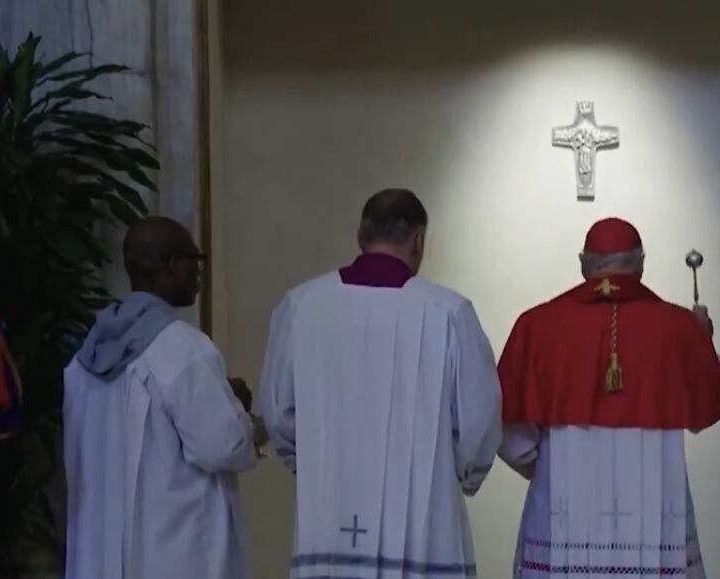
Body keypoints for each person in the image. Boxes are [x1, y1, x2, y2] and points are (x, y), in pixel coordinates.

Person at [260, 188, 501, 579]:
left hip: (329, 510)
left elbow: (278, 412)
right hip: (424, 522)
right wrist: (455, 475)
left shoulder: (301, 306)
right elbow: (479, 420)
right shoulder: (448, 312)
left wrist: (315, 463)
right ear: (418, 241)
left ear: (361, 237)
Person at [497, 217, 720, 578]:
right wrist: (703, 341)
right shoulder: (677, 326)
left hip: (563, 509)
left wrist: (544, 467)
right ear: (640, 264)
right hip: (655, 515)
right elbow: (718, 395)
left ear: (583, 264)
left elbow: (507, 429)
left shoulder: (537, 325)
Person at [63, 216, 260, 579]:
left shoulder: (84, 358)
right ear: (172, 265)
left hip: (102, 552)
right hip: (174, 551)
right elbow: (222, 446)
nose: (198, 273)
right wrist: (238, 409)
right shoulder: (182, 348)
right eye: (194, 261)